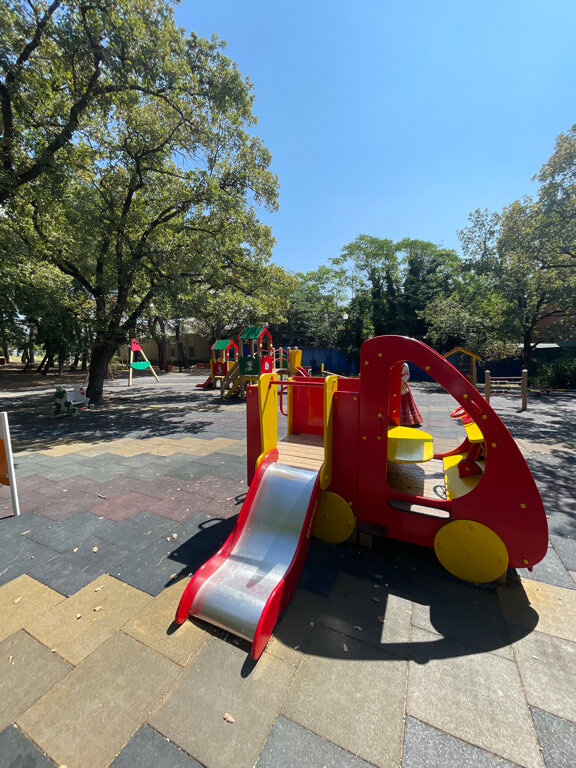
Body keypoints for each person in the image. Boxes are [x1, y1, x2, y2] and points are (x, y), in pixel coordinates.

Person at [400, 362, 422, 427]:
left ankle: (406, 419)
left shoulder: (404, 365)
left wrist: (400, 379)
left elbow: (406, 376)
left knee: (405, 401)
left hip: (401, 385)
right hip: (392, 384)